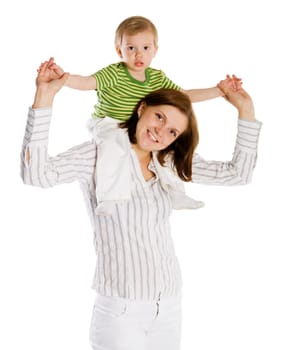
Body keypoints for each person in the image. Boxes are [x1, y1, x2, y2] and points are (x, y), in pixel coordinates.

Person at [21, 61, 261, 350]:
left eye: (172, 132)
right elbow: (36, 175)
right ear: (142, 107)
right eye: (159, 117)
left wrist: (246, 111)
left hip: (169, 305)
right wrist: (44, 99)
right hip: (121, 312)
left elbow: (237, 174)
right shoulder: (99, 153)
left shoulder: (167, 162)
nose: (161, 132)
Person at [38, 15, 242, 215]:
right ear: (120, 51)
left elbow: (186, 95)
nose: (139, 55)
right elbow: (86, 82)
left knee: (161, 154)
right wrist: (62, 78)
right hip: (109, 123)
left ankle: (176, 193)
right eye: (131, 48)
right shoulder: (114, 73)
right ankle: (109, 197)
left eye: (145, 48)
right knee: (113, 148)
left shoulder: (156, 78)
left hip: (134, 127)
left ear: (155, 50)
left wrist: (218, 91)